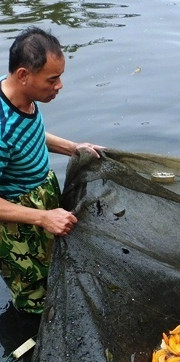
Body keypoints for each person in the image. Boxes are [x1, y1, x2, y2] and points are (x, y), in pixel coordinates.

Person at [0, 27, 104, 314]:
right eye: (52, 79)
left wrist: (73, 148)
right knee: (35, 293)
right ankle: (32, 337)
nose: (59, 86)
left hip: (42, 197)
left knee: (56, 269)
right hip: (17, 223)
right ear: (23, 75)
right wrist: (43, 217)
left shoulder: (23, 99)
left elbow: (31, 136)